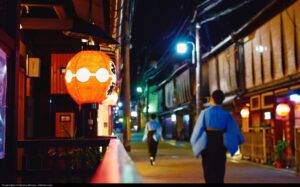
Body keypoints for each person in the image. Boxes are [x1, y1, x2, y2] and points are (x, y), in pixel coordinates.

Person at [190, 89, 244, 183]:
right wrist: (239, 139)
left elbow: (198, 130)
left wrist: (195, 143)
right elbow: (233, 130)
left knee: (208, 171)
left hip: (208, 143)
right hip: (220, 143)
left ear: (212, 99)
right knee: (219, 171)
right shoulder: (226, 115)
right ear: (222, 100)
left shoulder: (205, 113)